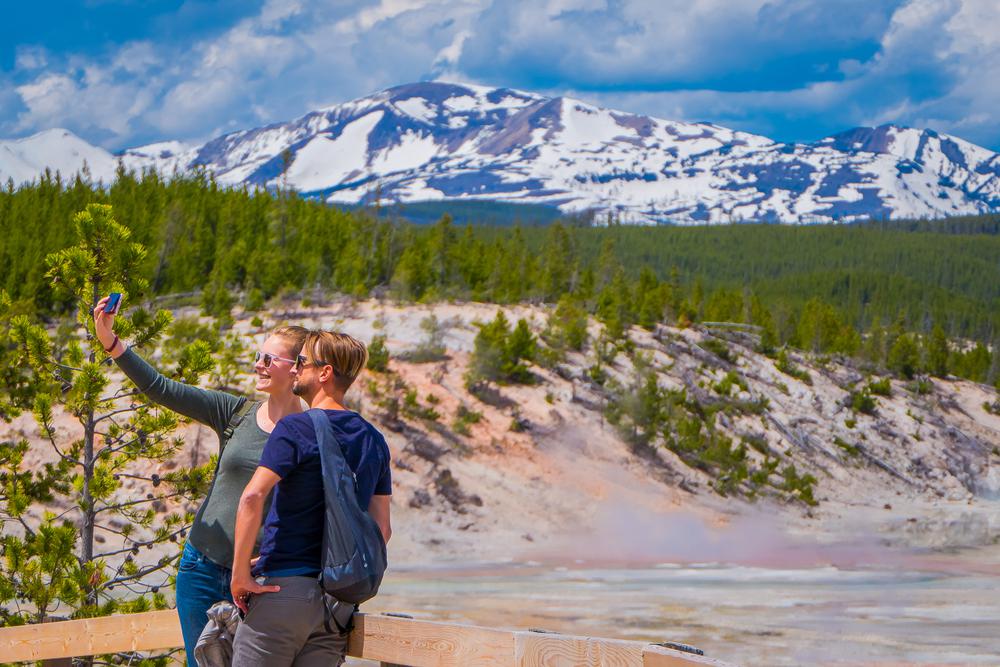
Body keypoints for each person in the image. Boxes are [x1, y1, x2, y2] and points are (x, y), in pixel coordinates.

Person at [93, 296, 308, 666]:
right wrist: (111, 341)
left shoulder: (311, 431)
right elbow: (161, 388)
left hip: (263, 580)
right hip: (202, 568)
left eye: (269, 359)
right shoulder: (235, 412)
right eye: (259, 355)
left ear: (297, 370)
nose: (258, 364)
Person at [230, 330, 392, 667]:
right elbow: (383, 530)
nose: (293, 370)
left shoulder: (295, 429)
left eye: (301, 362)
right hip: (335, 607)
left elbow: (252, 497)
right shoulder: (374, 440)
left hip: (282, 596)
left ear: (325, 373)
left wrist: (240, 575)